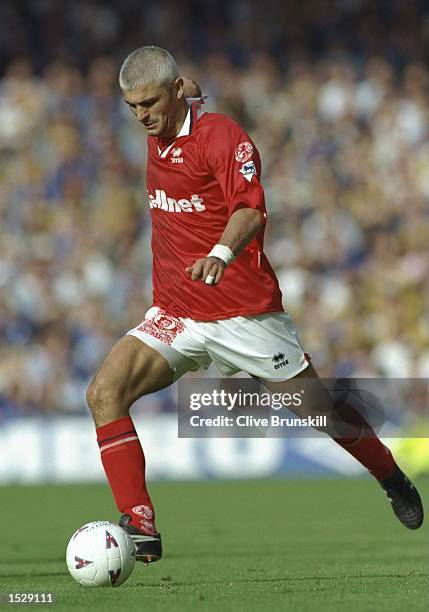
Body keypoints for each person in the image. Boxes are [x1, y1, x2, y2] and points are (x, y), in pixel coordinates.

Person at [86, 46, 423, 564]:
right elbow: (182, 88)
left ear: (176, 92)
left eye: (149, 103)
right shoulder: (166, 119)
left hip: (244, 314)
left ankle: (390, 474)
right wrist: (170, 90)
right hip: (178, 312)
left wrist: (222, 252)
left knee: (321, 413)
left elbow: (250, 207)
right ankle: (141, 525)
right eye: (131, 107)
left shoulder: (221, 137)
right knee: (104, 392)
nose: (141, 117)